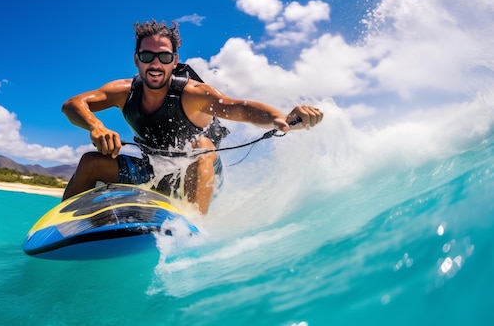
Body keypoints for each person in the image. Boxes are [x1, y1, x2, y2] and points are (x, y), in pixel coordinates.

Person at [61, 19, 323, 214]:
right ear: (136, 60)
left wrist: (280, 117)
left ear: (174, 61)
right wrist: (96, 126)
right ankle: (64, 222)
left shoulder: (193, 94)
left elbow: (239, 107)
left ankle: (194, 227)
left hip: (203, 174)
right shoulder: (123, 92)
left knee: (200, 146)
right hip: (154, 172)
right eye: (147, 56)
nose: (155, 64)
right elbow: (73, 104)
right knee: (91, 163)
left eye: (163, 56)